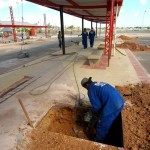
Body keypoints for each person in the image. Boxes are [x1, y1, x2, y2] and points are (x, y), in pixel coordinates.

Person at [81, 77, 125, 143]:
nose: (86, 89)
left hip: (111, 107)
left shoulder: (91, 90)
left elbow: (97, 107)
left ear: (87, 85)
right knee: (107, 120)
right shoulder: (98, 83)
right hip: (120, 102)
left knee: (101, 126)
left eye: (85, 87)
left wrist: (91, 113)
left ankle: (98, 142)